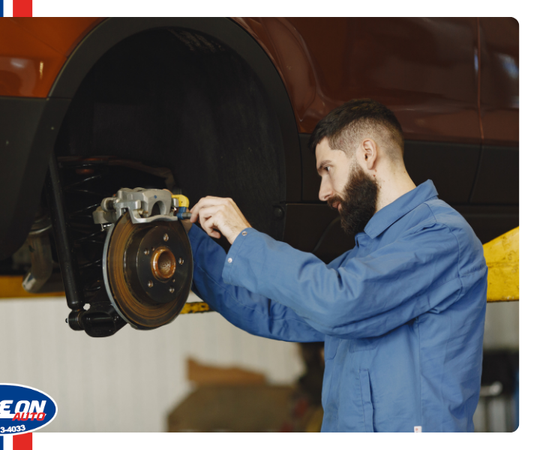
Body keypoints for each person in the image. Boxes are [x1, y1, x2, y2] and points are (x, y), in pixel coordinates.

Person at [181, 98, 487, 432]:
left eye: (327, 169)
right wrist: (187, 244)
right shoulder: (365, 258)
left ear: (367, 154)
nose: (323, 192)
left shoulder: (441, 237)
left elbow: (340, 302)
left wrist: (243, 236)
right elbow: (272, 310)